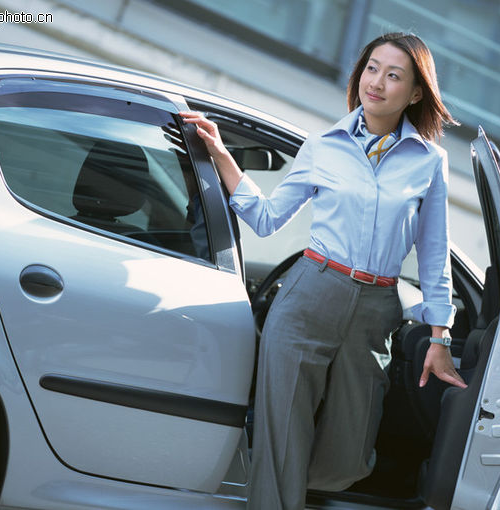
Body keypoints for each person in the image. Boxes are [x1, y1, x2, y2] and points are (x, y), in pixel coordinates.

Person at [181, 32, 467, 510]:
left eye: (394, 75)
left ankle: (266, 481)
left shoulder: (430, 162)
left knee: (350, 459)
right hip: (309, 296)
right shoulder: (324, 146)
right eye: (372, 68)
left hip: (376, 310)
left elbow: (434, 253)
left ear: (416, 93)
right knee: (281, 448)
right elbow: (268, 219)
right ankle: (272, 489)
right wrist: (223, 158)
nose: (377, 82)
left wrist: (441, 336)